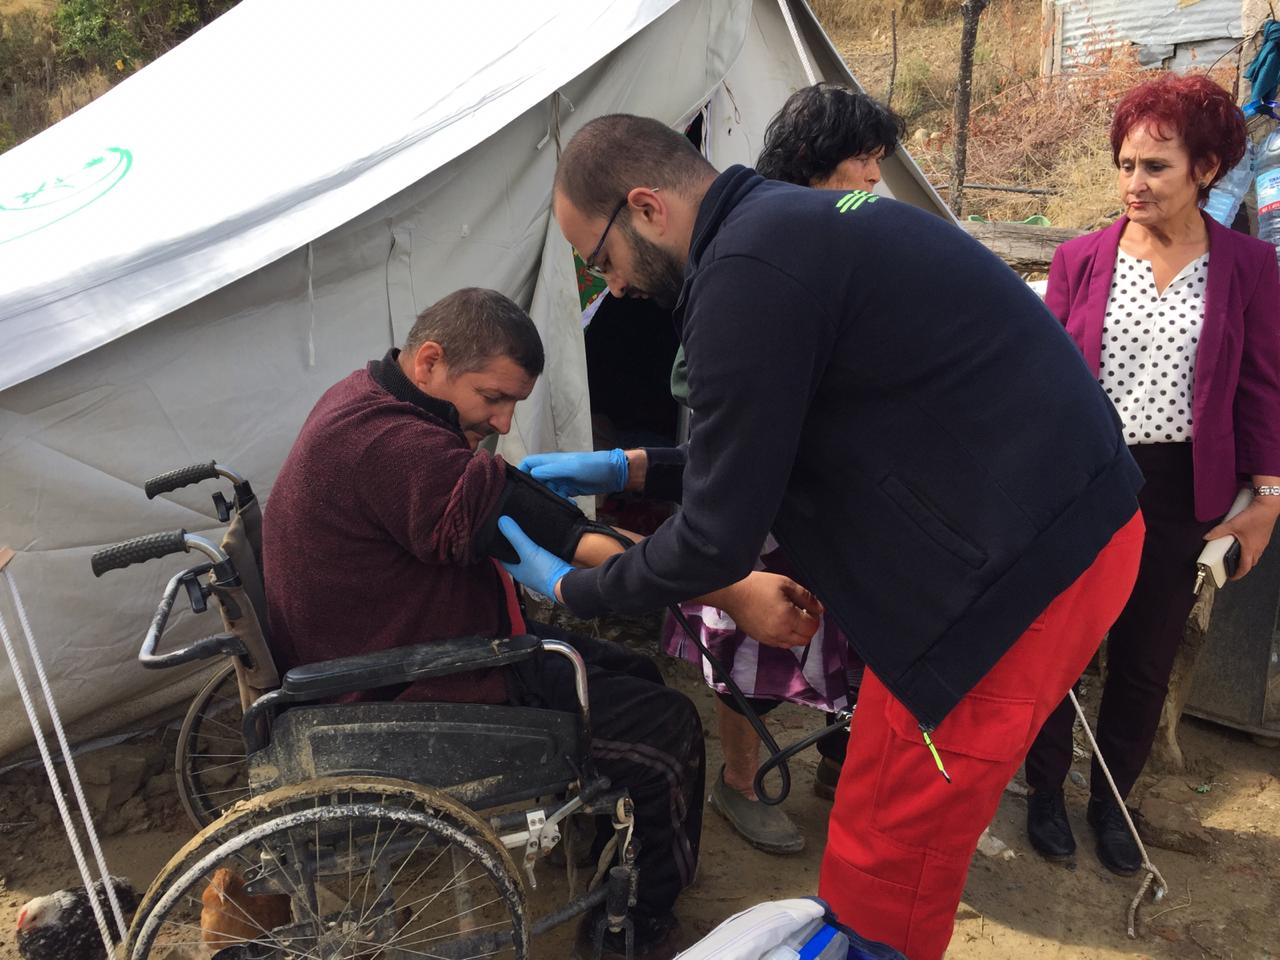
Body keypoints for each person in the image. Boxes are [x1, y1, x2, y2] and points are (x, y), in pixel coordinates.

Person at [496, 114, 1146, 960]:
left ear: (646, 207)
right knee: (874, 801)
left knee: (899, 849)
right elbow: (763, 440)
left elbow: (716, 541)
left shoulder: (744, 274)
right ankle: (853, 931)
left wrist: (574, 587)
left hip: (1022, 572)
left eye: (602, 260)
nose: (611, 287)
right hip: (1039, 524)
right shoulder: (781, 229)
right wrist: (630, 469)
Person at [262, 287, 810, 959]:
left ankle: (603, 840)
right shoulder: (399, 447)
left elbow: (523, 507)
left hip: (397, 653)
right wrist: (728, 590)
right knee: (666, 728)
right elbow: (568, 535)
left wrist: (606, 480)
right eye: (492, 397)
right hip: (407, 687)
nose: (500, 420)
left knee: (637, 671)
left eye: (513, 403)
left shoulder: (367, 397)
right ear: (430, 360)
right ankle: (635, 927)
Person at [1024, 74, 1280, 876]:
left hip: (1180, 493)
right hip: (1084, 481)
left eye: (1156, 167)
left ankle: (1111, 802)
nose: (1134, 183)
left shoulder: (1248, 266)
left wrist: (1268, 497)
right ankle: (1044, 793)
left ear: (1206, 168)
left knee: (1144, 656)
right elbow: (1048, 384)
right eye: (1125, 164)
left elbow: (1263, 387)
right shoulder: (1079, 260)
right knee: (1061, 649)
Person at [665, 83, 906, 857]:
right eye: (862, 160)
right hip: (761, 489)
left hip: (843, 490)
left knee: (862, 632)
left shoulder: (858, 236)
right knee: (751, 633)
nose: (875, 178)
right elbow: (689, 376)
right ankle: (739, 786)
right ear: (811, 164)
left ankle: (845, 766)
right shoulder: (752, 245)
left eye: (879, 161)